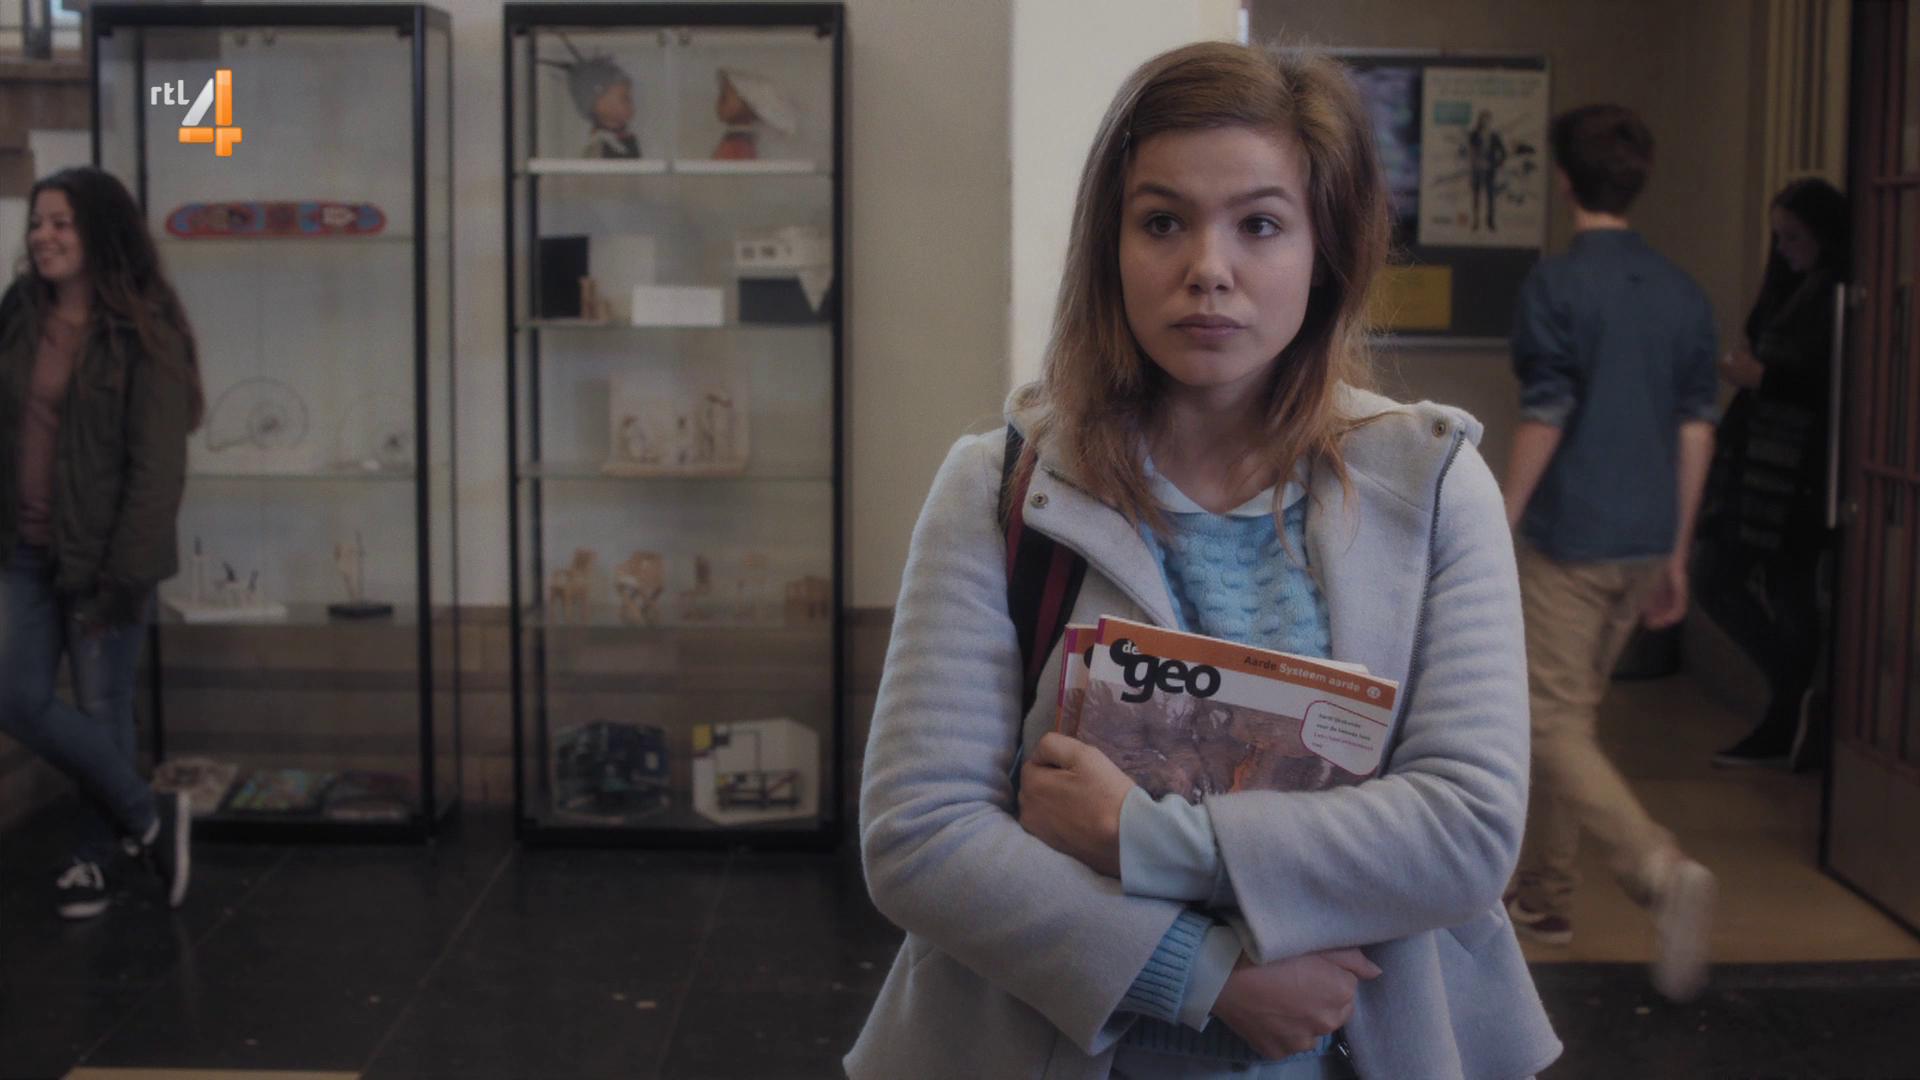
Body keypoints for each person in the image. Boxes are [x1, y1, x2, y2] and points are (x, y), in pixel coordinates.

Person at [851, 42, 1559, 1080]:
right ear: (1110, 246)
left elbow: (1466, 832)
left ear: (1326, 249)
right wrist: (1201, 973)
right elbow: (920, 834)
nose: (1208, 269)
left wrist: (1138, 837)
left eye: (1259, 225)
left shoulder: (1433, 486)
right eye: (1162, 222)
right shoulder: (999, 484)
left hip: (1353, 1043)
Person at [1501, 104, 1718, 998]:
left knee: (1548, 722)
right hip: (1645, 539)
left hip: (1572, 537)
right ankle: (1545, 899)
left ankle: (1656, 870)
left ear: (1563, 179)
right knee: (1571, 721)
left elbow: (1546, 411)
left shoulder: (1556, 287)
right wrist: (1678, 551)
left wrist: (1500, 513)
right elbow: (1697, 426)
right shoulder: (1682, 294)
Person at [0, 166, 200, 919]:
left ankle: (95, 859)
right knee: (16, 697)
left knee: (101, 707)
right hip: (24, 549)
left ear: (100, 233)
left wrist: (123, 580)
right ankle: (149, 817)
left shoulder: (144, 330)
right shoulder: (21, 311)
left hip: (105, 561)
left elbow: (157, 471)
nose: (43, 236)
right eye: (37, 223)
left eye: (61, 223)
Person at [1695, 178, 1849, 769]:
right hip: (1760, 464)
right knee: (1729, 578)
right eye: (1778, 237)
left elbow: (1831, 384)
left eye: (1794, 237)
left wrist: (1763, 378)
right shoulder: (1791, 287)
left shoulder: (1837, 296)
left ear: (1824, 237)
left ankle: (1791, 704)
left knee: (1780, 587)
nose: (1783, 250)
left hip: (1802, 472)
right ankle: (1794, 698)